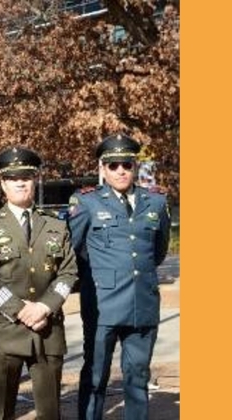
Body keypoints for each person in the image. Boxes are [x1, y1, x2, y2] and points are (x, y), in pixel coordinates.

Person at [68, 134, 171, 420]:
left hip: (143, 303)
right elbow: (74, 250)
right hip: (103, 304)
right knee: (96, 375)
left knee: (137, 378)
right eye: (113, 165)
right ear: (102, 168)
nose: (121, 170)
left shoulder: (156, 201)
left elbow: (157, 251)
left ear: (135, 165)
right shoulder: (86, 203)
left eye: (126, 163)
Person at [0, 147, 78, 420]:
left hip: (47, 330)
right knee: (1, 412)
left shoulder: (56, 224)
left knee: (50, 412)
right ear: (3, 184)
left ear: (35, 180)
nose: (21, 182)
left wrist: (45, 307)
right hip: (7, 330)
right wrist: (20, 309)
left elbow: (68, 273)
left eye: (27, 177)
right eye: (13, 178)